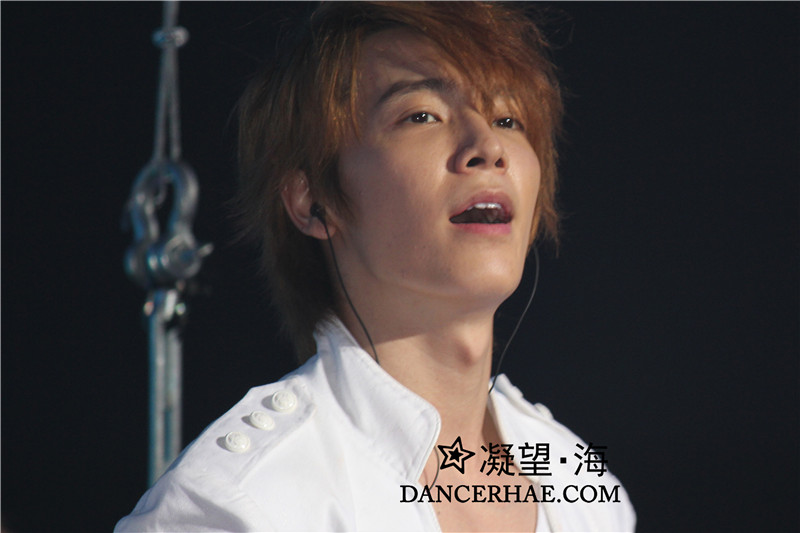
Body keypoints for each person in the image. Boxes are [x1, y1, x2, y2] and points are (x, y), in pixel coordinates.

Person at [116, 2, 636, 531]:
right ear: (313, 200)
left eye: (508, 119)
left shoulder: (588, 497)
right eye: (421, 116)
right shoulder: (239, 506)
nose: (488, 147)